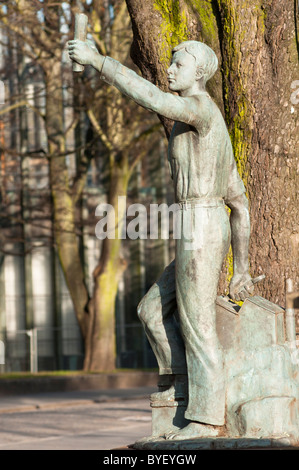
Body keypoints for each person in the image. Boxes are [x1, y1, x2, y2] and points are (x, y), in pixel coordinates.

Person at [68, 38, 258, 439]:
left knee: (197, 322)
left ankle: (205, 419)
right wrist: (240, 268)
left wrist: (99, 60)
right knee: (151, 310)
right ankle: (183, 385)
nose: (169, 70)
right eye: (170, 64)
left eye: (178, 65)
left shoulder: (201, 111)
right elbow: (239, 204)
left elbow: (153, 97)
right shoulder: (199, 123)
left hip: (202, 221)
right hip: (198, 221)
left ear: (199, 73)